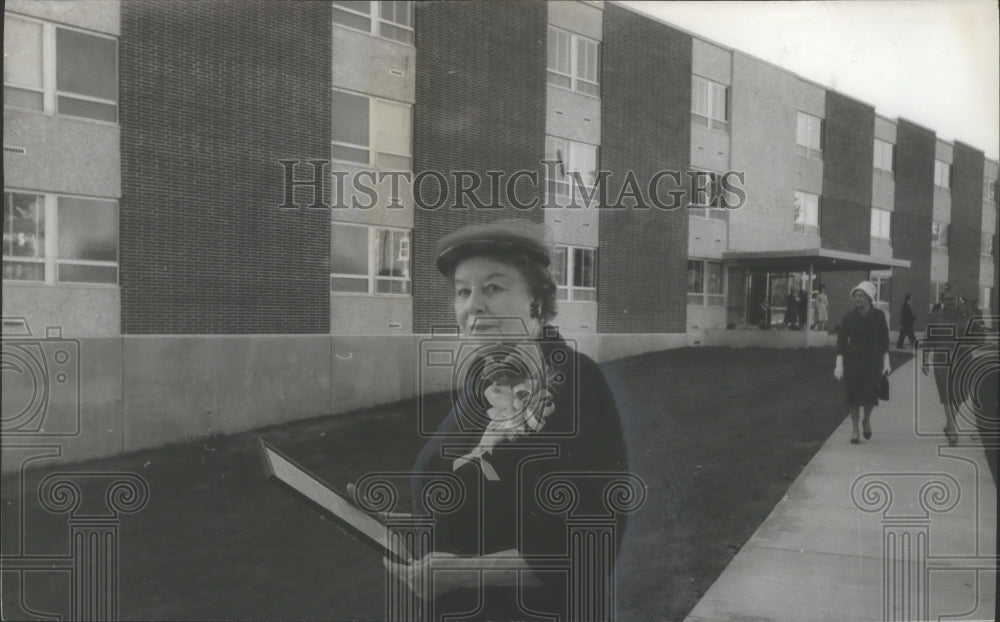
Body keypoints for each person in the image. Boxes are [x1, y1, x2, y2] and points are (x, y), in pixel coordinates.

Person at [389, 219, 629, 620]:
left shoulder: (574, 379)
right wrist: (386, 522)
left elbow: (592, 543)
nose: (473, 305)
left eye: (493, 288)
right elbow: (472, 494)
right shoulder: (481, 379)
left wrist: (466, 575)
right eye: (463, 291)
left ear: (536, 299)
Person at [834, 281, 891, 444]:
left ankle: (866, 419)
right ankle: (855, 429)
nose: (857, 299)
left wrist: (886, 362)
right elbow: (841, 341)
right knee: (852, 396)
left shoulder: (879, 316)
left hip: (873, 361)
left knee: (870, 395)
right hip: (853, 361)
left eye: (861, 296)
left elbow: (884, 340)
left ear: (869, 298)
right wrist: (839, 363)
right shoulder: (849, 317)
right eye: (856, 296)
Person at [922, 285, 978, 446]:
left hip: (963, 357)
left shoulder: (967, 314)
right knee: (946, 393)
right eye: (947, 299)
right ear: (942, 300)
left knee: (961, 393)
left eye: (953, 299)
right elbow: (929, 339)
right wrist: (925, 359)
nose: (950, 302)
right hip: (942, 358)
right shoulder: (935, 316)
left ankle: (949, 424)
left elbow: (978, 333)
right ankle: (952, 429)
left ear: (959, 299)